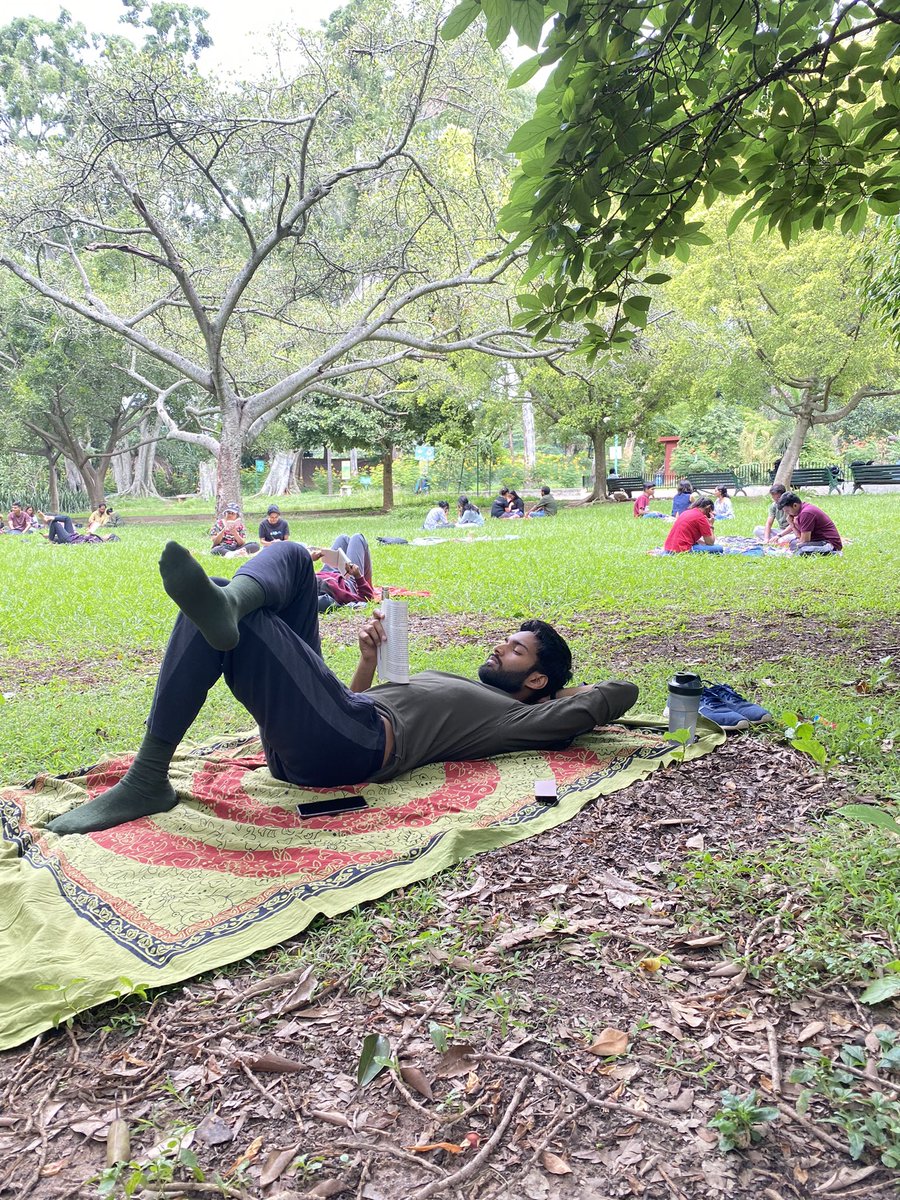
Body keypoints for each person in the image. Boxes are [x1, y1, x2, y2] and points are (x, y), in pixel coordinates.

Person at [46, 540, 639, 835]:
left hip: (348, 748)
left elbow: (617, 692)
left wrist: (563, 697)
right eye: (505, 639)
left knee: (222, 621)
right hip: (345, 715)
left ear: (536, 678)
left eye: (515, 650)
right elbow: (360, 705)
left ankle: (149, 777)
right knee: (292, 563)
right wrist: (367, 658)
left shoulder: (518, 720)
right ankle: (229, 600)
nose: (498, 647)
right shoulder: (465, 686)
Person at [313, 532, 376, 612]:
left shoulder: (303, 587)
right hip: (348, 579)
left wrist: (310, 557)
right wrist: (358, 576)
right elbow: (366, 597)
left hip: (326, 572)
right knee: (357, 538)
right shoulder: (340, 593)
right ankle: (368, 583)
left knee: (343, 538)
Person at [777, 493, 843, 554]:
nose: (787, 514)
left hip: (830, 544)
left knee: (801, 549)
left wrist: (793, 526)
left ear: (795, 505)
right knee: (793, 543)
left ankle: (834, 553)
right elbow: (799, 538)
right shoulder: (802, 510)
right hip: (817, 541)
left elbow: (804, 541)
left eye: (787, 511)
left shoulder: (806, 513)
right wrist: (792, 525)